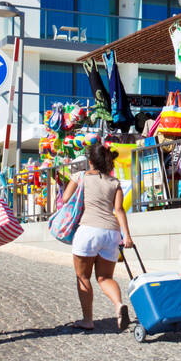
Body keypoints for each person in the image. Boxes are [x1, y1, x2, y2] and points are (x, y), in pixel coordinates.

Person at [61, 142, 134, 331]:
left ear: (90, 160)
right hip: (111, 232)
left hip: (88, 230)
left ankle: (87, 320)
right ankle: (118, 305)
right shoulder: (114, 182)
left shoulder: (81, 177)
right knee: (105, 277)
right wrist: (127, 236)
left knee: (83, 277)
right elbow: (118, 209)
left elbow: (65, 200)